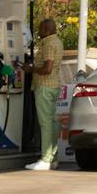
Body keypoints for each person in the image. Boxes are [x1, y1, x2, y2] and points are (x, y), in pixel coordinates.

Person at [29, 17, 65, 170]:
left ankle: (45, 159)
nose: (38, 31)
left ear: (47, 30)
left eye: (40, 29)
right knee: (53, 122)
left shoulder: (48, 44)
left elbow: (47, 68)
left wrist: (30, 69)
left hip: (44, 86)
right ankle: (53, 158)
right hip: (54, 85)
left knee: (45, 123)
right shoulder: (57, 41)